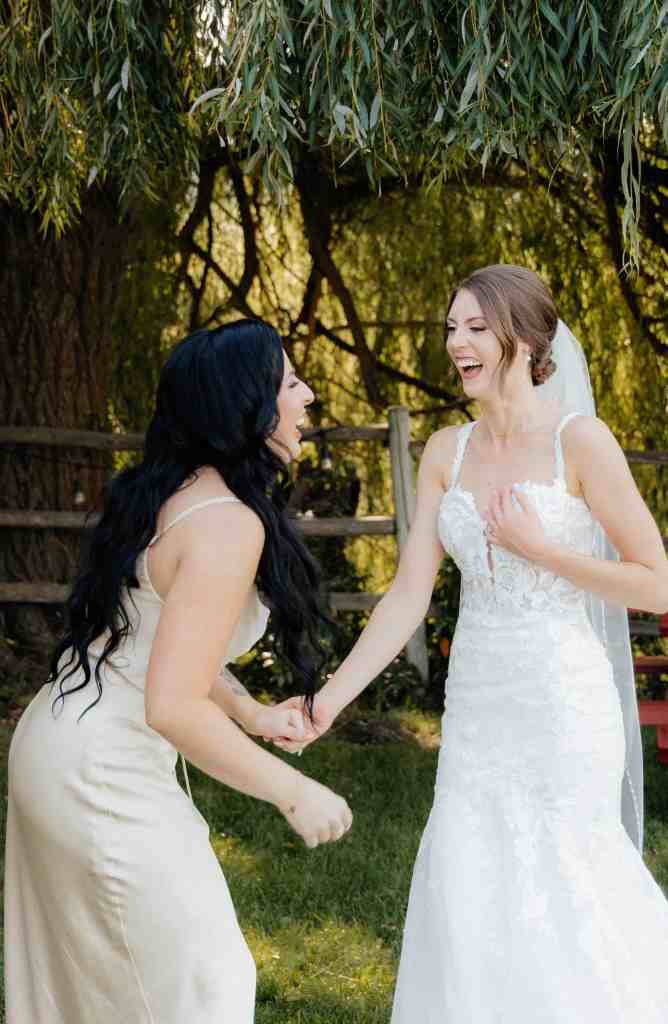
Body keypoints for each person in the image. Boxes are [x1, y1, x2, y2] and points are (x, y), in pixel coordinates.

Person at [281, 265, 668, 1021]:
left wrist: (543, 550)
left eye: (475, 328)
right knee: (470, 876)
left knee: (564, 878)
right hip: (478, 711)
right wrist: (330, 698)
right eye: (451, 327)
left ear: (523, 338)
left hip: (563, 705)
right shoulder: (444, 453)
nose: (455, 342)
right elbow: (406, 596)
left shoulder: (580, 442)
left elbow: (656, 582)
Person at [4, 319, 352, 1024]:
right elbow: (172, 703)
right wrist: (294, 792)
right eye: (289, 382)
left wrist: (251, 714)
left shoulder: (176, 491)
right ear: (245, 404)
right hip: (101, 772)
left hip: (60, 743)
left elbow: (161, 638)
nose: (308, 396)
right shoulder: (226, 522)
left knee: (110, 990)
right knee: (206, 982)